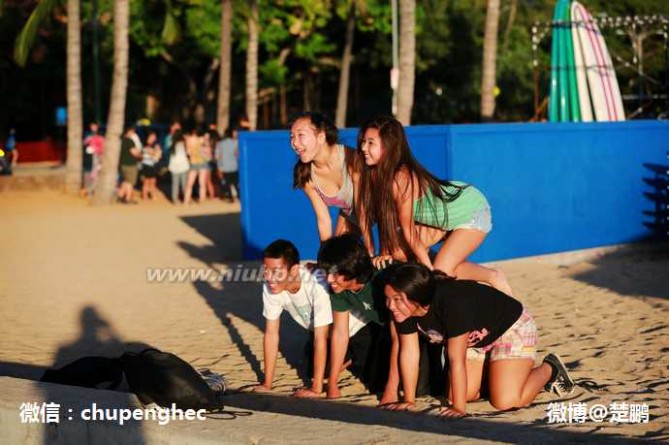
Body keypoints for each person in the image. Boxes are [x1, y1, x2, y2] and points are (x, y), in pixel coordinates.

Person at [381, 262, 575, 417]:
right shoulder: (403, 312)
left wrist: (459, 408)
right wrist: (409, 399)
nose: (391, 305)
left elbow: (455, 360)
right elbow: (409, 353)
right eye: (387, 298)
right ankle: (501, 375)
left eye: (397, 299)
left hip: (510, 328)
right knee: (461, 394)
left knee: (506, 402)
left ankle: (550, 369)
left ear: (417, 297)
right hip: (474, 341)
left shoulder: (451, 302)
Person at [357, 115, 512, 296]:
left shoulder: (401, 178)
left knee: (441, 270)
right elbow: (386, 218)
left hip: (470, 209)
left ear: (388, 146)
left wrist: (429, 270)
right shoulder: (377, 175)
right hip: (444, 218)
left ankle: (493, 276)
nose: (363, 148)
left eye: (370, 143)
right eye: (363, 142)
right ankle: (442, 268)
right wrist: (384, 251)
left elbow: (408, 230)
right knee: (398, 252)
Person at [252, 240, 334, 397]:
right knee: (313, 369)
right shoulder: (271, 285)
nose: (270, 277)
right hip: (320, 333)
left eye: (276, 271)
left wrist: (316, 389)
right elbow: (271, 333)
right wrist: (267, 384)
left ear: (294, 270)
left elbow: (320, 337)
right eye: (266, 270)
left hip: (351, 332)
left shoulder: (316, 283)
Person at [317, 234, 391, 399]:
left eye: (335, 274)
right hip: (380, 330)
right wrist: (333, 383)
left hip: (416, 333)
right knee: (374, 382)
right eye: (327, 272)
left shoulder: (383, 277)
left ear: (352, 268)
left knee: (421, 388)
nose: (329, 279)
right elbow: (340, 332)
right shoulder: (339, 289)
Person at [291, 112, 362, 242]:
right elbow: (324, 221)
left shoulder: (351, 158)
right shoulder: (307, 175)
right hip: (355, 212)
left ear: (321, 137)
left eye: (300, 135)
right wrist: (324, 257)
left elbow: (366, 209)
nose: (294, 143)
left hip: (391, 206)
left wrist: (370, 248)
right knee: (337, 255)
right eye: (292, 136)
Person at [184, 128, 209, 204]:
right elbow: (207, 149)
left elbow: (188, 152)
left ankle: (186, 200)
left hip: (193, 162)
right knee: (202, 183)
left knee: (189, 183)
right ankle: (202, 200)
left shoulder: (189, 139)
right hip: (202, 161)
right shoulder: (203, 139)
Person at [215, 127, 240, 202]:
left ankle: (230, 197)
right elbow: (237, 154)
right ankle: (239, 195)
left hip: (225, 166)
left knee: (227, 183)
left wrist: (219, 166)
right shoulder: (236, 143)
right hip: (234, 166)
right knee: (236, 183)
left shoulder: (220, 144)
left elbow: (217, 156)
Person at [118, 126, 142, 204]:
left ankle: (120, 195)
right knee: (130, 182)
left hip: (122, 164)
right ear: (129, 131)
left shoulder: (121, 140)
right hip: (130, 164)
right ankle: (128, 198)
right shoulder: (129, 141)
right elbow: (134, 152)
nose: (133, 133)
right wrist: (140, 155)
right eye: (133, 132)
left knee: (125, 181)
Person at [168, 130, 189, 203]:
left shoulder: (172, 144)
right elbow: (187, 153)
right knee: (184, 183)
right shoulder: (183, 143)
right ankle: (185, 198)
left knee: (175, 184)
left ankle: (174, 199)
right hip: (183, 165)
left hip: (174, 166)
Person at [140, 131, 161, 200]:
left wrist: (156, 152)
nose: (153, 138)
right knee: (146, 182)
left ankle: (153, 195)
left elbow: (158, 155)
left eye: (154, 137)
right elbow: (153, 153)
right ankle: (145, 196)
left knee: (153, 181)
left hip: (153, 165)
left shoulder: (156, 145)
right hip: (147, 165)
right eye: (152, 137)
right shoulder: (145, 145)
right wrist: (155, 152)